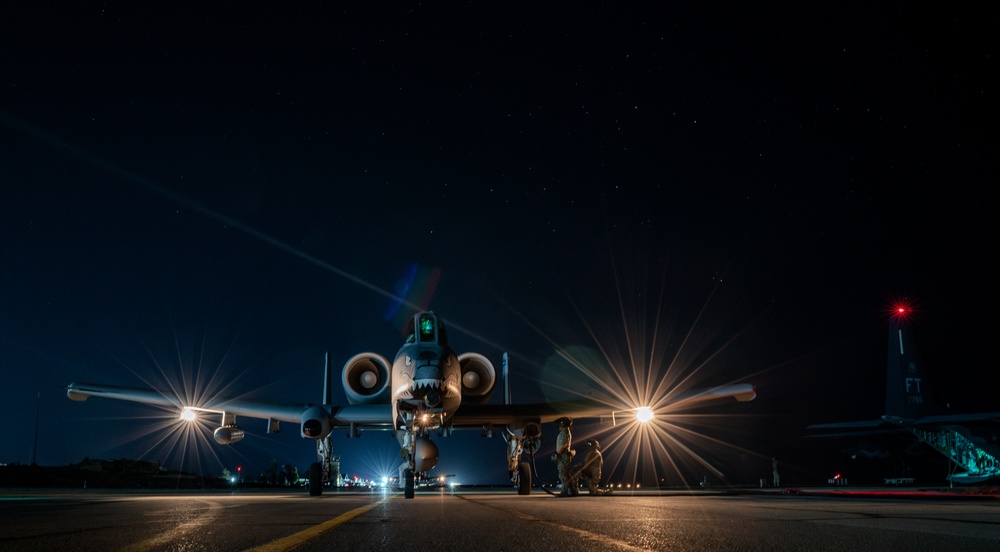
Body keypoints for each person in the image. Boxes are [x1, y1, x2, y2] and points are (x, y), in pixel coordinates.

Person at [552, 417, 578, 496]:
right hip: (563, 455)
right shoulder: (565, 432)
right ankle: (571, 490)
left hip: (563, 456)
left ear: (563, 424)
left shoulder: (564, 433)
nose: (559, 425)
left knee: (562, 474)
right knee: (565, 474)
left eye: (560, 423)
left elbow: (563, 445)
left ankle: (565, 491)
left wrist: (558, 454)